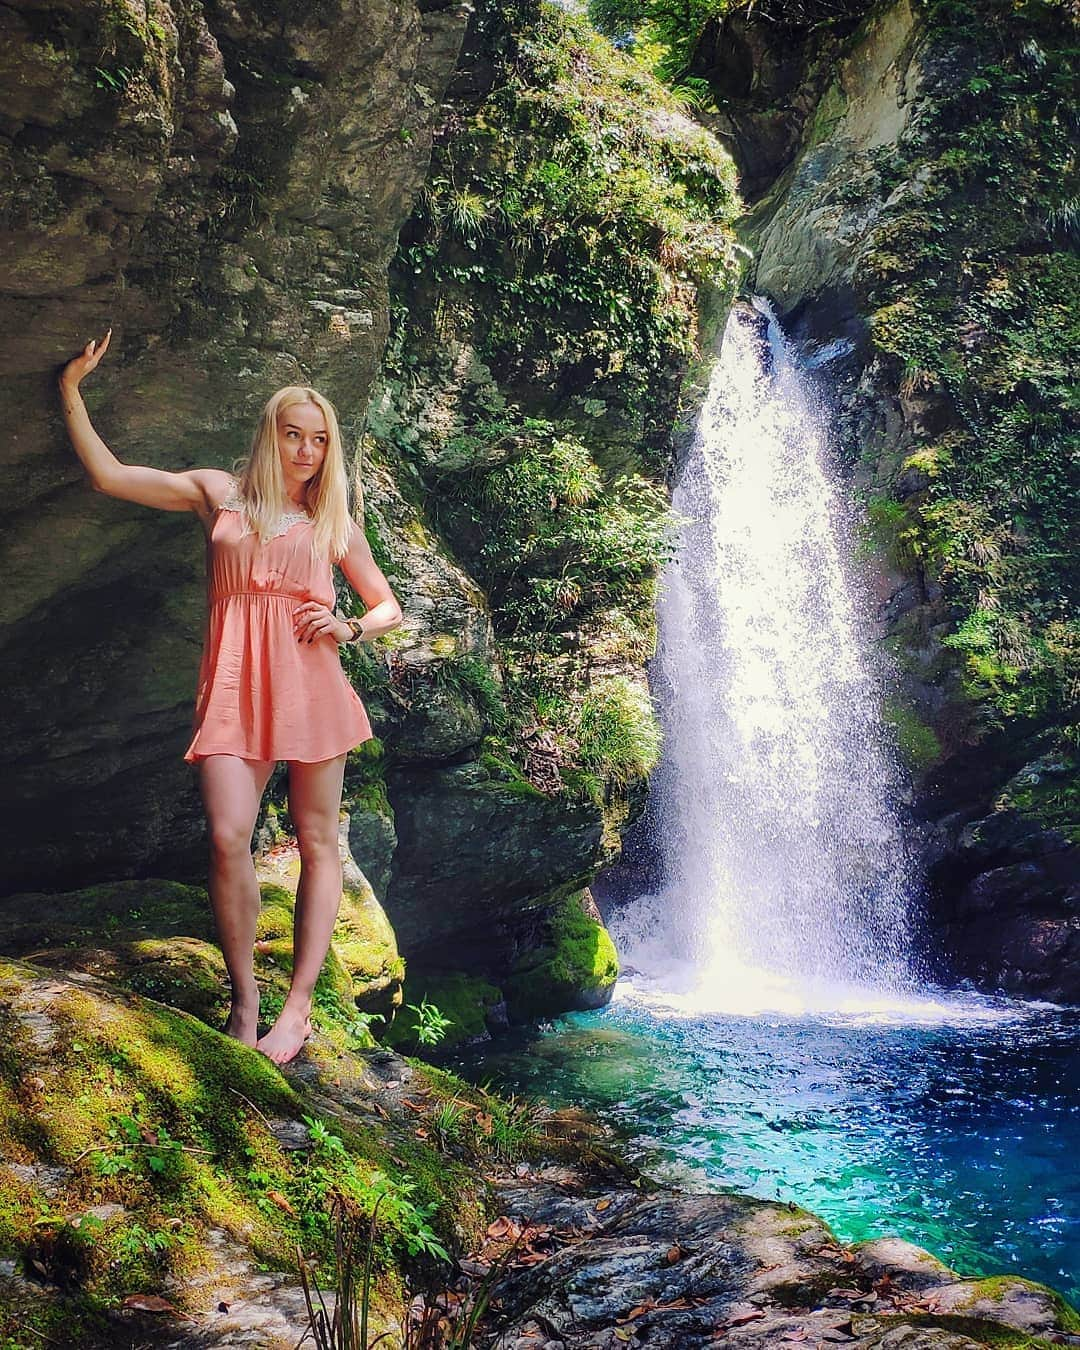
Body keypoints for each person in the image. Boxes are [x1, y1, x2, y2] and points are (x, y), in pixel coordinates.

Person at [58, 330, 404, 1065]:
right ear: (270, 435)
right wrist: (70, 389)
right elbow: (110, 477)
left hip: (312, 682)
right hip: (235, 684)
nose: (307, 451)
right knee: (226, 837)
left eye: (318, 440)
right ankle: (245, 998)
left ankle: (299, 1004)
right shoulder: (220, 492)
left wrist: (348, 626)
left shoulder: (332, 521)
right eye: (294, 435)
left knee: (317, 843)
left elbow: (387, 607)